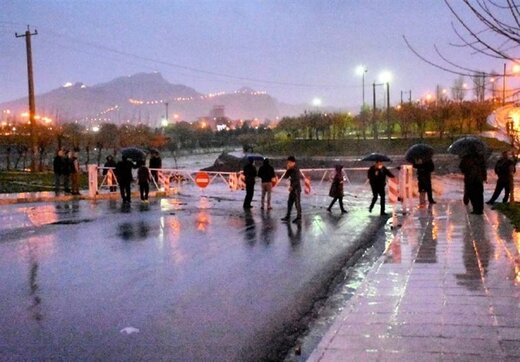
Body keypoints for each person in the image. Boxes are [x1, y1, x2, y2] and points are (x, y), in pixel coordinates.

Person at [281, 156, 302, 223]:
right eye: (288, 162)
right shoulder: (291, 169)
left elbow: (296, 180)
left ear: (293, 162)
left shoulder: (296, 169)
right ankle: (288, 216)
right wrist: (287, 169)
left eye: (289, 162)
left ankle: (299, 217)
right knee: (289, 203)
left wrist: (292, 187)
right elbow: (286, 176)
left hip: (296, 189)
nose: (288, 163)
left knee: (297, 203)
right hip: (293, 189)